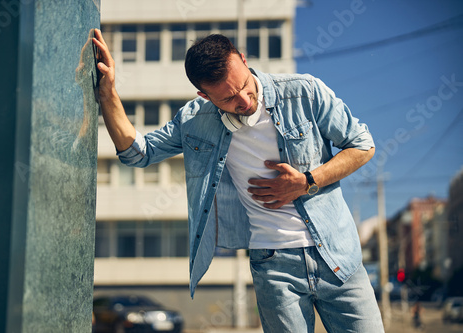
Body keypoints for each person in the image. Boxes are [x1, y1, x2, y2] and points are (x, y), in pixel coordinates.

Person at [92, 29, 384, 332]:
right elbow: (138, 153)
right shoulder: (195, 120)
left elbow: (363, 145)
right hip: (274, 265)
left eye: (244, 85)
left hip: (338, 256)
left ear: (243, 60)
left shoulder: (304, 92)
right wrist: (108, 92)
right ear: (204, 96)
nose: (244, 101)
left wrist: (308, 180)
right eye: (229, 99)